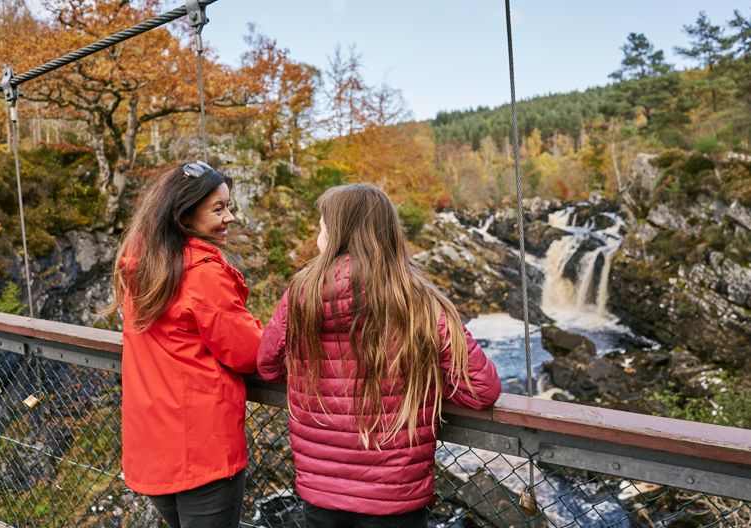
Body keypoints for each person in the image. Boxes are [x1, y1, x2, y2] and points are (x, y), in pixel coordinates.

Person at [257, 183, 502, 528]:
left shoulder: (300, 294)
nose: (317, 236)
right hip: (393, 495)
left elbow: (267, 365)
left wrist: (313, 370)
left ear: (337, 233)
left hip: (320, 489)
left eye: (321, 227)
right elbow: (482, 390)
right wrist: (424, 379)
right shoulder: (419, 300)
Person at [103, 161, 263, 528]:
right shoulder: (202, 273)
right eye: (219, 208)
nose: (231, 217)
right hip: (203, 449)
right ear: (185, 216)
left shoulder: (144, 266)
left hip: (153, 444)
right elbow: (248, 353)